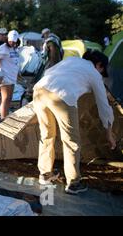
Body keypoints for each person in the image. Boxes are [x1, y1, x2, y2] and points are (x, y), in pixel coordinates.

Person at [33, 50, 115, 195]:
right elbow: (103, 105)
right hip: (62, 96)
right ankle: (73, 182)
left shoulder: (71, 60)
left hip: (39, 90)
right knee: (71, 142)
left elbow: (49, 72)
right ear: (99, 65)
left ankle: (45, 174)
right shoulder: (94, 73)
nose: (101, 75)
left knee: (46, 135)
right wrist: (109, 133)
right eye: (102, 71)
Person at [0, 30, 20, 119]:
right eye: (10, 40)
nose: (12, 42)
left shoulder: (14, 48)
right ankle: (3, 118)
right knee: (5, 98)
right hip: (5, 77)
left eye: (14, 40)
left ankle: (5, 116)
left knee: (9, 98)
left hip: (12, 76)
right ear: (7, 39)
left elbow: (15, 61)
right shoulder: (3, 47)